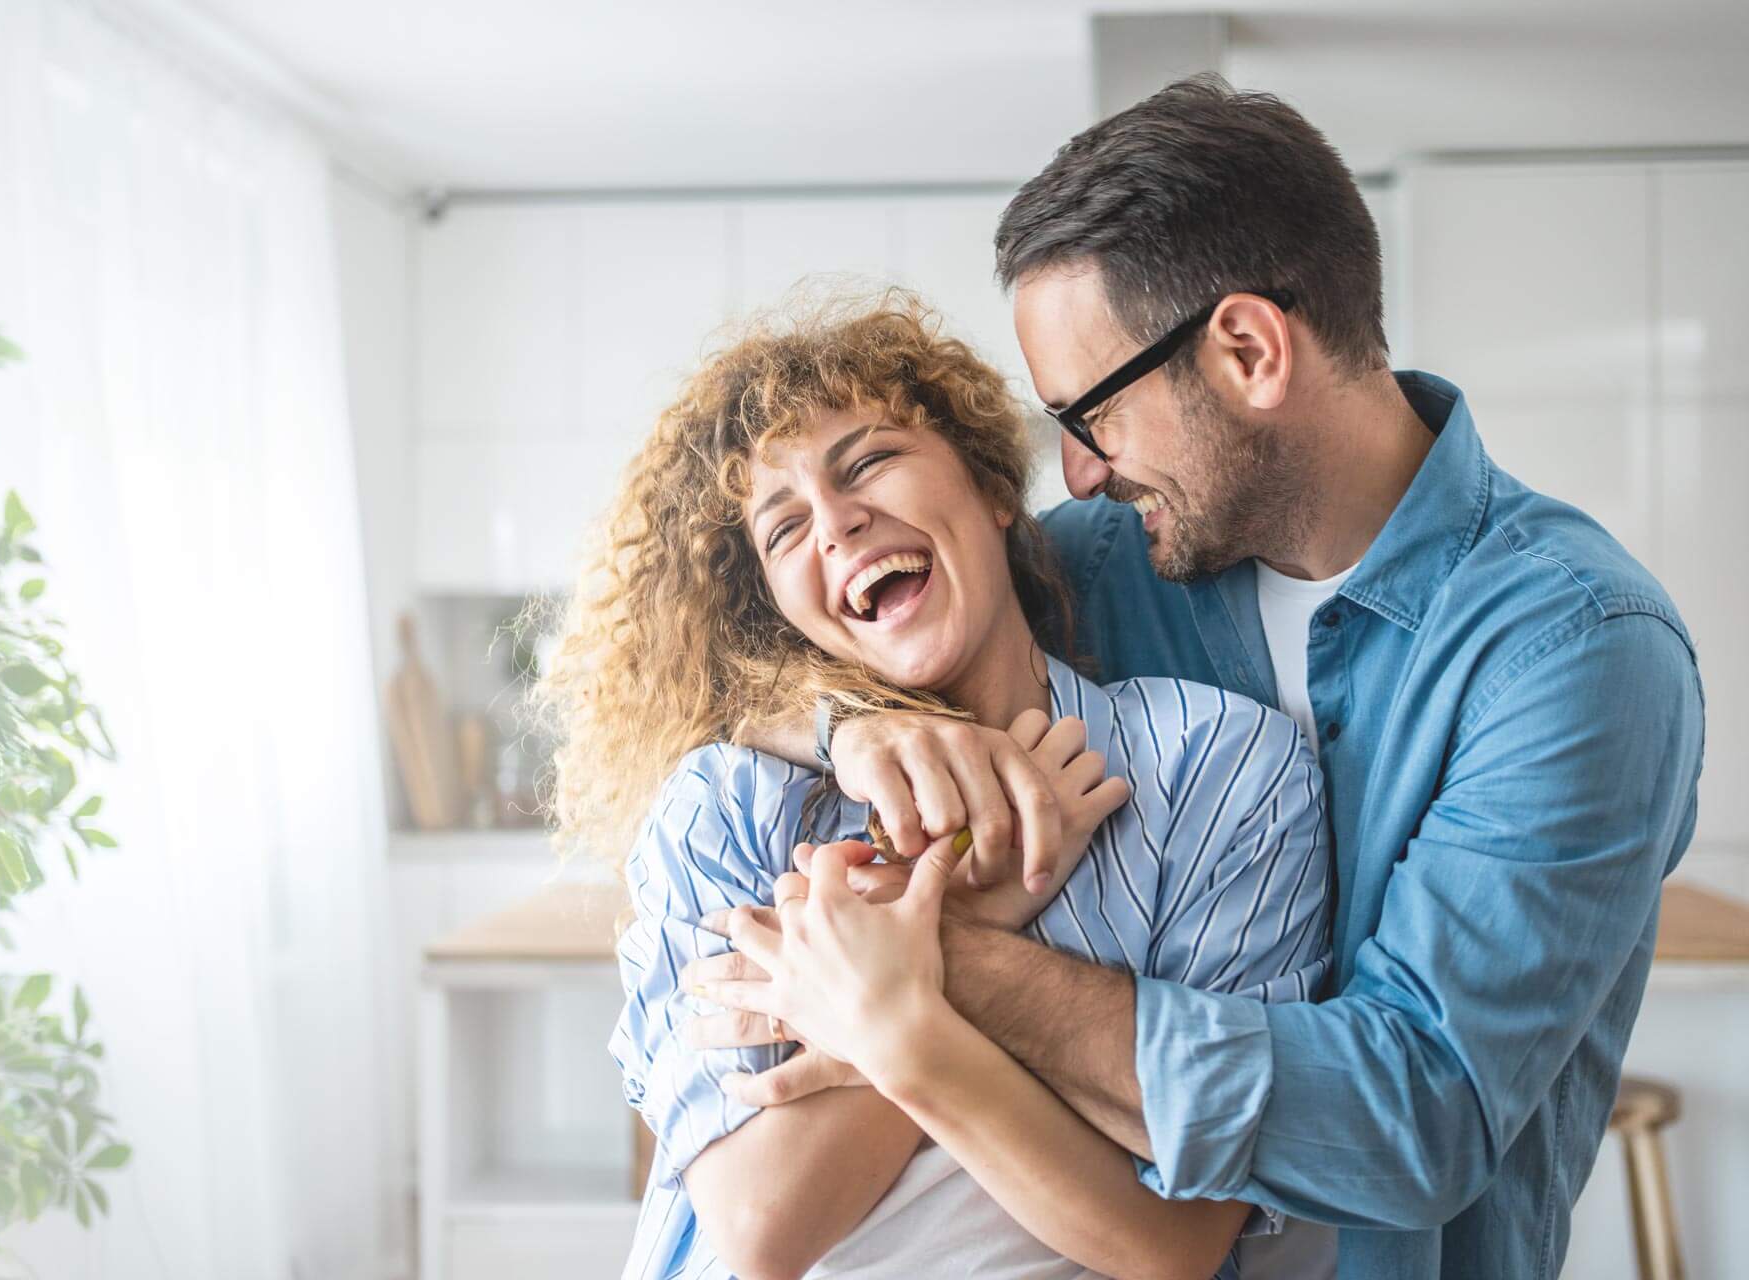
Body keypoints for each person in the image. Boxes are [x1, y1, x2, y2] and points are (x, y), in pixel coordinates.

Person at [693, 76, 1705, 1279]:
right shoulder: (1103, 559)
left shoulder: (1577, 647)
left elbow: (1411, 1116)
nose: (1076, 474)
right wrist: (847, 723)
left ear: (1246, 350)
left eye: (1091, 414)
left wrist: (933, 952)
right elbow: (777, 652)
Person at [531, 293, 1332, 1279]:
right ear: (779, 605)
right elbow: (758, 1228)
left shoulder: (1221, 769)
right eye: (783, 529)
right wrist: (960, 909)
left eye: (868, 461)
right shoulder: (733, 802)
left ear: (994, 486)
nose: (835, 523)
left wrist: (887, 988)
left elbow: (1172, 1242)